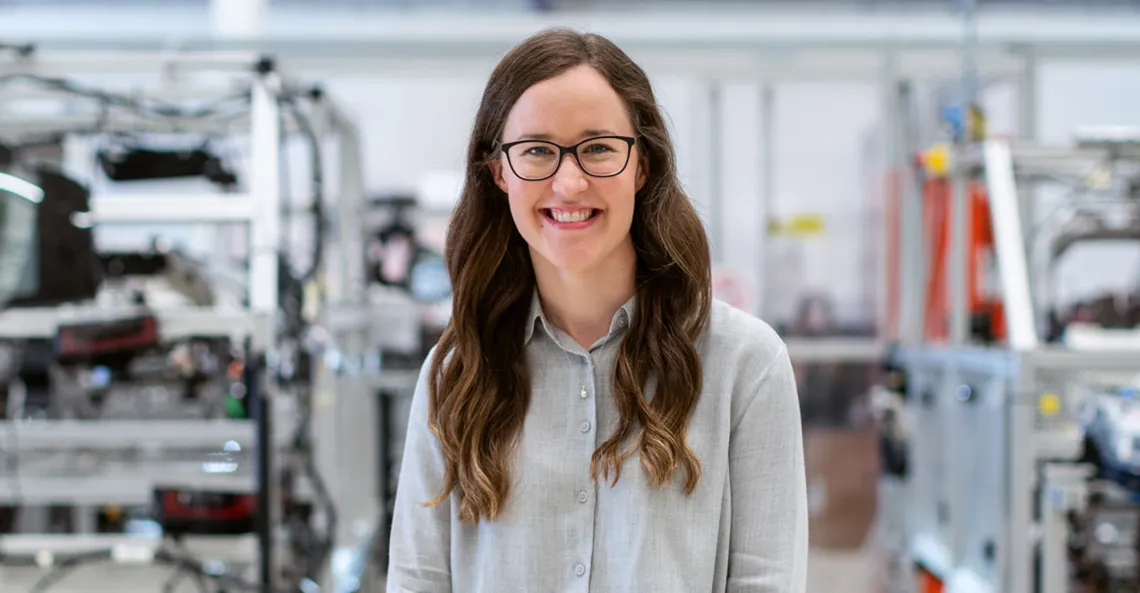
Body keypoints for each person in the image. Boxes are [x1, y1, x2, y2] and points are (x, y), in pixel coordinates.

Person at [387, 27, 808, 593]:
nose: (569, 181)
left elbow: (767, 581)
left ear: (642, 165)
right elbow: (418, 579)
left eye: (598, 148)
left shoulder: (745, 365)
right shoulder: (457, 372)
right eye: (537, 149)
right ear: (498, 171)